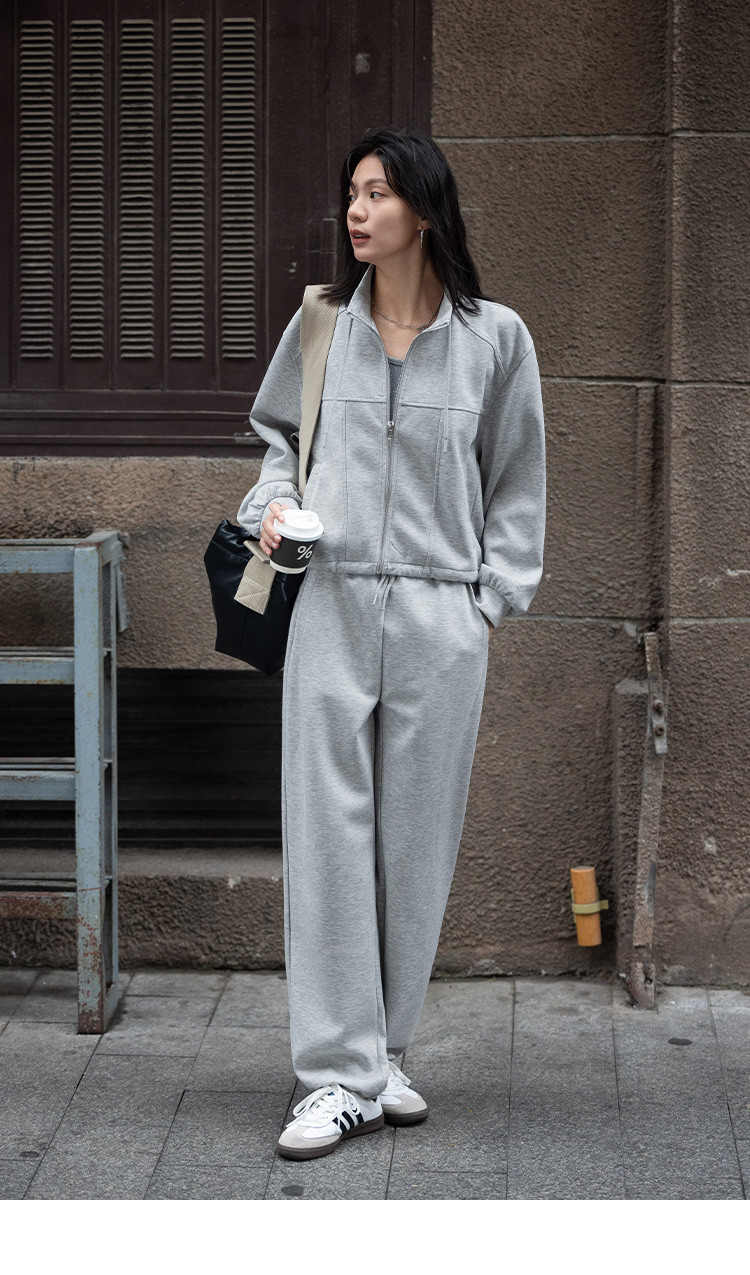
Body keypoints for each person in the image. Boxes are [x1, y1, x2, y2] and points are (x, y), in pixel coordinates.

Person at [236, 125, 546, 1161]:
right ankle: (336, 1073)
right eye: (352, 193)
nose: (356, 210)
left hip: (441, 618)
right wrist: (270, 511)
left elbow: (518, 477)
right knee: (327, 838)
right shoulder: (322, 322)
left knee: (415, 844)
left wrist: (488, 602)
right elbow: (278, 442)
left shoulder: (497, 338)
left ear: (424, 206)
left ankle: (383, 1053)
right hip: (328, 604)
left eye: (376, 192)